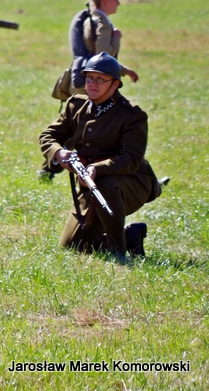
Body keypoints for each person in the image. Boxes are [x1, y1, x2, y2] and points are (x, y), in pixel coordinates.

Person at [39, 53, 161, 261]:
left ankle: (118, 252)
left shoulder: (132, 115)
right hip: (89, 184)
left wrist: (98, 168)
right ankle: (130, 237)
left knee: (105, 184)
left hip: (130, 182)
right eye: (89, 78)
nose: (92, 84)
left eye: (100, 79)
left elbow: (131, 159)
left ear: (115, 84)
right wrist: (60, 153)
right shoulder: (76, 105)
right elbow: (49, 136)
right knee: (73, 247)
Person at [41, 0, 139, 181]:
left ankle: (49, 169)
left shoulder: (93, 19)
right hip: (94, 82)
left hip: (88, 80)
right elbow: (102, 56)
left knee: (74, 130)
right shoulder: (101, 23)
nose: (118, 3)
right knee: (88, 131)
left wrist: (124, 70)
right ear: (105, 1)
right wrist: (115, 39)